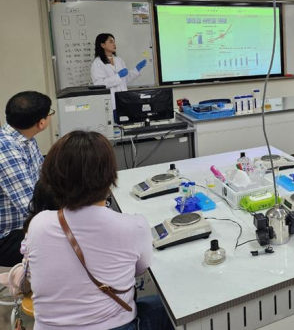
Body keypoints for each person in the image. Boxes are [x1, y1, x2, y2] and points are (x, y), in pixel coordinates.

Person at [25, 131, 173, 330]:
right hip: (115, 326)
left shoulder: (39, 223)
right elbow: (139, 270)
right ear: (110, 177)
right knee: (172, 306)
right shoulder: (134, 225)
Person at [0, 91, 52, 266]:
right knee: (67, 242)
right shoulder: (6, 152)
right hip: (7, 236)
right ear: (42, 123)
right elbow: (32, 207)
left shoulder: (25, 140)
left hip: (22, 223)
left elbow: (45, 176)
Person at [91, 33, 147, 110]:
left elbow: (125, 80)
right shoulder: (97, 63)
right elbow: (99, 84)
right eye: (111, 42)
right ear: (103, 45)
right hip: (110, 102)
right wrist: (118, 76)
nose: (114, 44)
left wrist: (136, 70)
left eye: (114, 41)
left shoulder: (118, 59)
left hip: (124, 99)